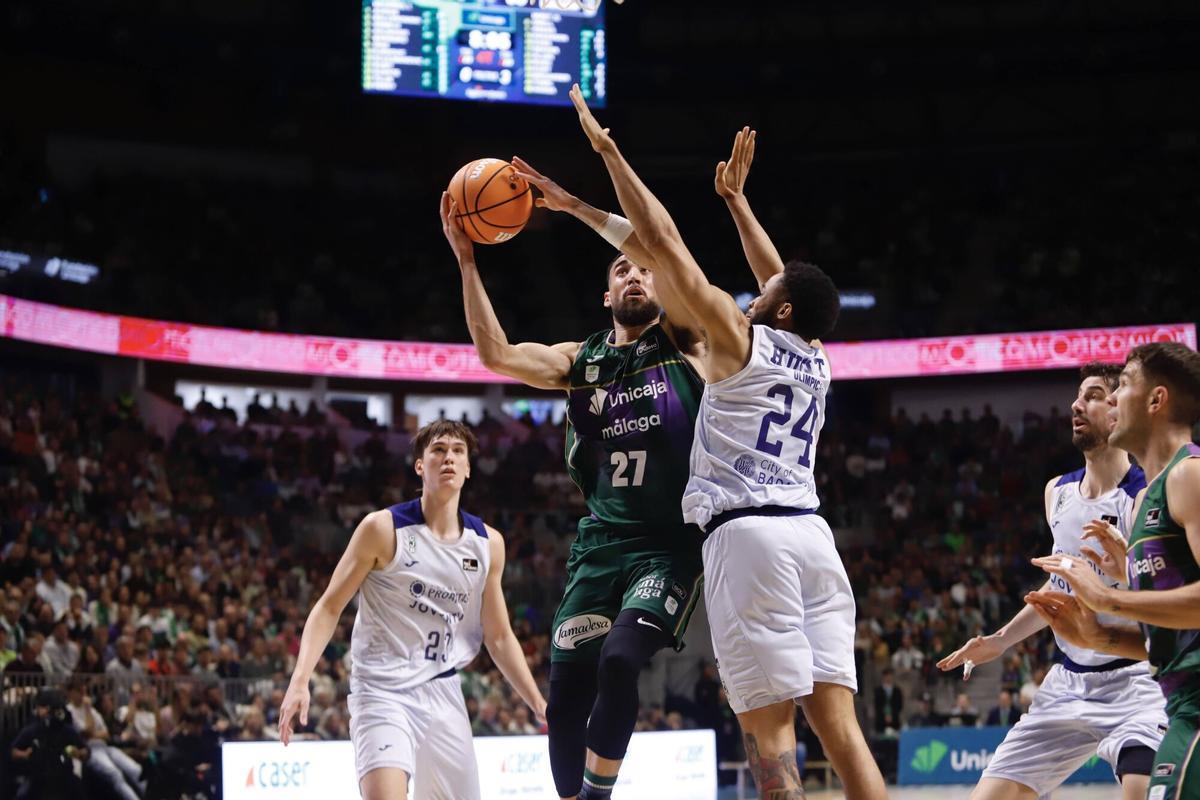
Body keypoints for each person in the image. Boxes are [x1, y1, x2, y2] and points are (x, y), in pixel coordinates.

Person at [567, 88, 886, 800]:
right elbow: (782, 280)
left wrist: (608, 152)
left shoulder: (737, 340)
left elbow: (662, 242)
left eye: (765, 293)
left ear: (781, 309)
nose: (753, 292)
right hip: (813, 539)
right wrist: (738, 204)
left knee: (771, 738)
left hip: (749, 541)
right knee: (842, 732)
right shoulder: (816, 358)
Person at [441, 157, 707, 800]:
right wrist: (468, 260)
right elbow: (496, 354)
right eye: (621, 271)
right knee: (564, 703)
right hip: (600, 546)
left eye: (643, 270)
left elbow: (661, 246)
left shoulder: (686, 341)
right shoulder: (578, 360)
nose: (634, 274)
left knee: (619, 661)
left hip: (668, 545)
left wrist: (575, 207)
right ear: (606, 297)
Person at [278, 420, 546, 800]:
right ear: (420, 465)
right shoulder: (382, 529)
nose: (449, 458)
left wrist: (538, 703)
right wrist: (300, 679)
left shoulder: (488, 544)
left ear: (469, 468)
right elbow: (328, 607)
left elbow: (499, 636)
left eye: (458, 451)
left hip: (443, 688)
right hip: (382, 689)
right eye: (438, 450)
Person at [938, 364, 1166, 800]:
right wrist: (1000, 641)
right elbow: (1060, 589)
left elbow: (1160, 597)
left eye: (1093, 396)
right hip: (1067, 684)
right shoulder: (1057, 492)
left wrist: (1125, 575)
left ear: (1118, 410)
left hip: (1136, 682)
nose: (1077, 405)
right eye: (1078, 396)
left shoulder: (1143, 495)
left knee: (1141, 793)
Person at [1027, 341, 1200, 800]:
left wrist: (1108, 598)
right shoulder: (1152, 496)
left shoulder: (1189, 475)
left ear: (1156, 400)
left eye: (1122, 385)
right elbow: (1173, 637)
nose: (1114, 398)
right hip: (1182, 705)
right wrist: (1099, 636)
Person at [10, 688, 88, 800]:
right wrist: (25, 754)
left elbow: (86, 750)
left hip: (64, 778)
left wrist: (79, 753)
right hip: (37, 778)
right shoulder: (33, 730)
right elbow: (13, 751)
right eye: (44, 708)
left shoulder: (67, 730)